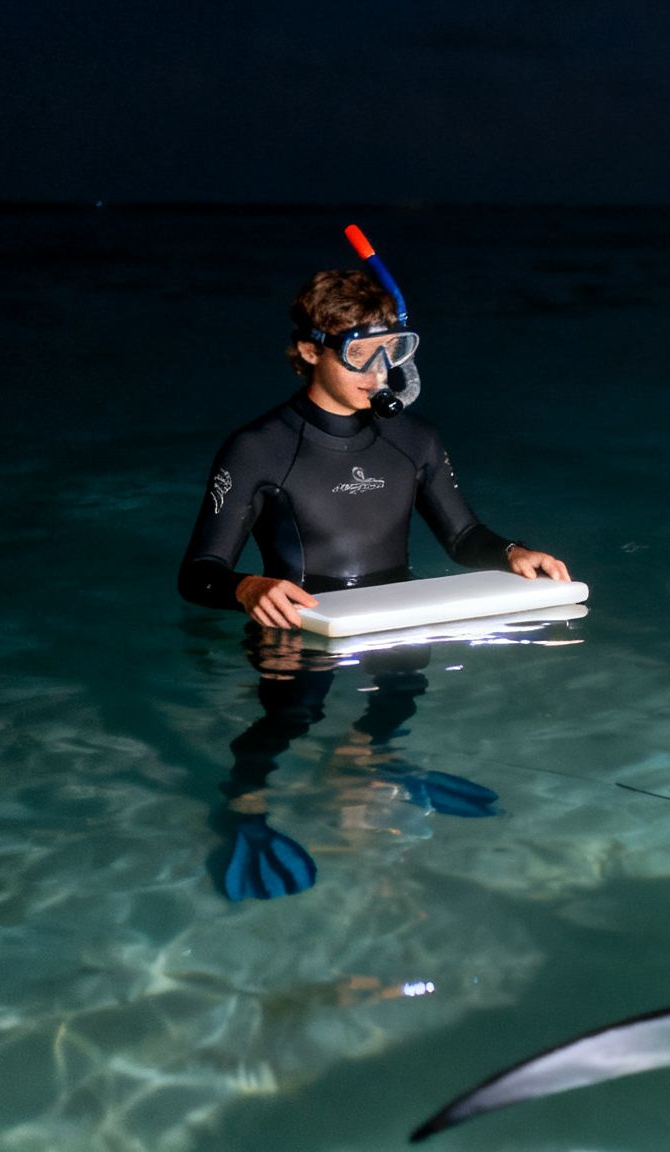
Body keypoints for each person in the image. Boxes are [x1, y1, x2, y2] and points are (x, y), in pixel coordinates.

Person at [179, 256, 568, 898]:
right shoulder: (258, 447)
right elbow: (199, 573)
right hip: (299, 628)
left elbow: (463, 536)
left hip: (397, 619)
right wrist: (249, 587)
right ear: (310, 350)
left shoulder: (413, 438)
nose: (378, 372)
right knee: (289, 720)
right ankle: (244, 813)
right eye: (360, 354)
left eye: (390, 352)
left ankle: (367, 762)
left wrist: (513, 553)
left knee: (398, 698)